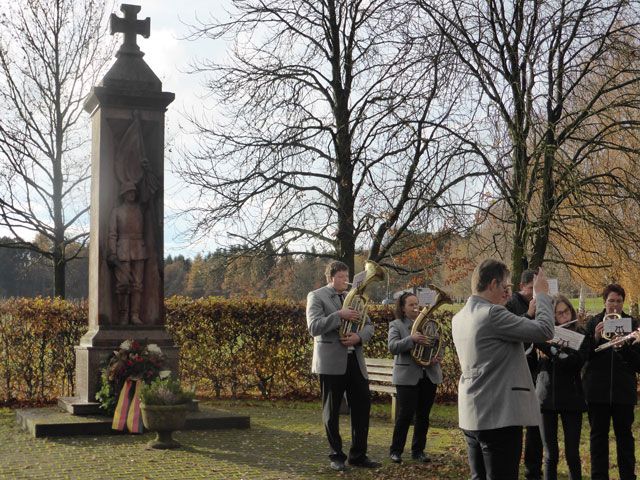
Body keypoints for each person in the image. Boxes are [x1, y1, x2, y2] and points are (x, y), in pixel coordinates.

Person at [452, 259, 554, 480]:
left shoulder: (458, 317)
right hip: (499, 416)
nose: (507, 293)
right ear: (493, 284)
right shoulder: (492, 314)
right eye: (505, 287)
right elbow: (545, 329)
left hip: (472, 414)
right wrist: (542, 295)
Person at [306, 260, 381, 471]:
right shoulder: (317, 296)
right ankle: (336, 455)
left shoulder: (357, 298)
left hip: (355, 360)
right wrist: (339, 315)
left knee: (362, 406)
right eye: (341, 277)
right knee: (331, 411)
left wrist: (358, 337)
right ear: (331, 278)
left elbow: (369, 326)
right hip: (330, 362)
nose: (345, 281)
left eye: (347, 277)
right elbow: (313, 327)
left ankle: (358, 455)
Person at [582, 284, 640, 480]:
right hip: (597, 392)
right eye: (611, 301)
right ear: (604, 302)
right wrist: (596, 338)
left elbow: (638, 363)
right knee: (598, 438)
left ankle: (627, 476)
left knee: (625, 438)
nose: (615, 305)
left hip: (623, 392)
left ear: (623, 302)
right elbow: (583, 357)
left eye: (619, 301)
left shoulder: (633, 325)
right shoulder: (593, 323)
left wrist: (624, 348)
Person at [534, 294, 588, 480]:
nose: (564, 316)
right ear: (553, 316)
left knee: (572, 453)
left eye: (566, 311)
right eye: (559, 313)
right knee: (550, 454)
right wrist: (546, 343)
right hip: (546, 397)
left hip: (572, 398)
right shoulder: (544, 334)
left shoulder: (581, 334)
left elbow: (575, 363)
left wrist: (552, 350)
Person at [387, 292, 442, 464]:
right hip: (407, 377)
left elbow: (439, 344)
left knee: (423, 416)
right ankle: (396, 451)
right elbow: (393, 347)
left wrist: (437, 356)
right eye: (411, 305)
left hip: (429, 374)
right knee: (405, 415)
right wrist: (411, 339)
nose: (416, 308)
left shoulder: (430, 325)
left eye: (416, 304)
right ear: (402, 309)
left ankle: (418, 451)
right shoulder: (396, 325)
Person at [505, 269, 543, 480]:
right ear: (522, 287)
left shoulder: (539, 301)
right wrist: (529, 314)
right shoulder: (511, 303)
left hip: (535, 367)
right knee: (516, 422)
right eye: (531, 290)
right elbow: (509, 331)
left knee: (535, 421)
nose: (533, 294)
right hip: (517, 368)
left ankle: (533, 468)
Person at [108, 182, 147, 325]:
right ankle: (123, 315)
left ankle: (134, 315)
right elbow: (112, 234)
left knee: (137, 284)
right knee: (122, 284)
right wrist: (112, 252)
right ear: (123, 194)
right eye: (129, 192)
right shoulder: (117, 211)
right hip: (122, 250)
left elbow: (150, 195)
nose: (132, 194)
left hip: (139, 248)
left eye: (133, 192)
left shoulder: (140, 209)